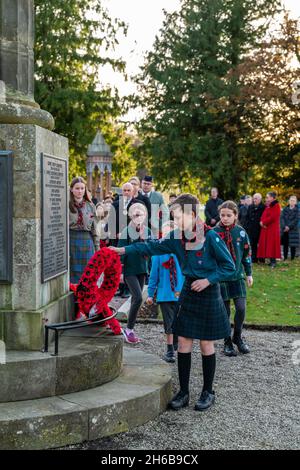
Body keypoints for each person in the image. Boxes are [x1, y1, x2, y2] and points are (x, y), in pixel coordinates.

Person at [110, 194, 236, 412]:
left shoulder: (212, 237)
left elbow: (229, 266)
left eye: (178, 217)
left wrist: (208, 280)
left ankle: (208, 392)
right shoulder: (176, 237)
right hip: (188, 291)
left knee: (206, 344)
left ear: (192, 215)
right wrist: (123, 250)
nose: (175, 221)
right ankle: (184, 392)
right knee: (184, 343)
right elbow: (151, 247)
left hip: (208, 292)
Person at [213, 201, 253, 356]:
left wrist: (249, 273)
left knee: (241, 308)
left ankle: (237, 336)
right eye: (222, 215)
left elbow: (246, 254)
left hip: (237, 276)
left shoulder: (241, 233)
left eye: (229, 215)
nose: (225, 218)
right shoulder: (214, 232)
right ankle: (227, 342)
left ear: (235, 215)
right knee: (224, 312)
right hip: (221, 278)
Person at [146, 221, 185, 363]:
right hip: (165, 294)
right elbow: (153, 275)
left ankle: (178, 344)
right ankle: (169, 349)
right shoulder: (157, 254)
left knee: (179, 321)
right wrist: (150, 294)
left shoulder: (182, 251)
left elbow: (187, 272)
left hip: (181, 293)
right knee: (168, 323)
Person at [117, 203, 152, 343]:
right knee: (137, 297)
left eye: (141, 214)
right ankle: (129, 329)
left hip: (142, 268)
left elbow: (151, 249)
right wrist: (120, 272)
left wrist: (144, 238)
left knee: (135, 299)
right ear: (131, 215)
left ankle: (130, 328)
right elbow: (120, 252)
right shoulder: (127, 231)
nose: (139, 217)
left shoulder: (147, 230)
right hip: (130, 270)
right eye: (136, 214)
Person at [69, 176, 99, 283]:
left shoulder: (91, 206)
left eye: (82, 188)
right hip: (71, 240)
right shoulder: (65, 205)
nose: (80, 191)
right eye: (77, 188)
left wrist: (97, 248)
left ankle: (85, 298)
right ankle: (75, 297)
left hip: (87, 242)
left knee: (87, 273)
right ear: (71, 189)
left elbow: (95, 230)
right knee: (72, 273)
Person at [257, 191, 281, 268]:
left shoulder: (276, 206)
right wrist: (261, 222)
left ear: (272, 198)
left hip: (272, 229)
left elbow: (273, 217)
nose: (266, 199)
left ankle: (273, 262)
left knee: (272, 245)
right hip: (266, 228)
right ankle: (270, 261)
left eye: (267, 197)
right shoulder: (269, 206)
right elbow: (264, 215)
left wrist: (263, 222)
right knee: (268, 245)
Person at [245, 193, 265, 262]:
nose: (254, 200)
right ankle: (254, 258)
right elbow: (247, 217)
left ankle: (262, 259)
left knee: (261, 244)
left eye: (256, 198)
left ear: (260, 199)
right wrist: (247, 225)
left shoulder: (263, 207)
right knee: (253, 244)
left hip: (260, 228)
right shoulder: (250, 206)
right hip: (251, 228)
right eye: (254, 198)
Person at [280, 196, 299, 261]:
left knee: (293, 245)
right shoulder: (285, 209)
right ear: (289, 201)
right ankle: (285, 257)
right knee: (285, 244)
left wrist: (289, 227)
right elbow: (281, 218)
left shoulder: (297, 210)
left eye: (293, 201)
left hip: (293, 229)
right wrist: (284, 226)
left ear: (296, 202)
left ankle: (292, 258)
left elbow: (296, 220)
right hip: (285, 229)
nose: (292, 202)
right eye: (291, 200)